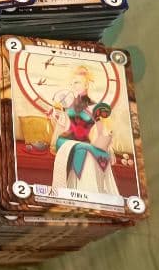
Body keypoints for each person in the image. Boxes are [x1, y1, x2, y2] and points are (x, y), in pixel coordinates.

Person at [45, 66, 119, 195]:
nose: (74, 85)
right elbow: (63, 123)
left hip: (84, 142)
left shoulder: (95, 106)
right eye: (73, 82)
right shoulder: (68, 103)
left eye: (77, 82)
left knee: (88, 151)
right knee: (86, 150)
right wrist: (55, 114)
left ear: (86, 84)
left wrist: (108, 147)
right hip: (65, 141)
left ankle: (87, 193)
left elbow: (101, 131)